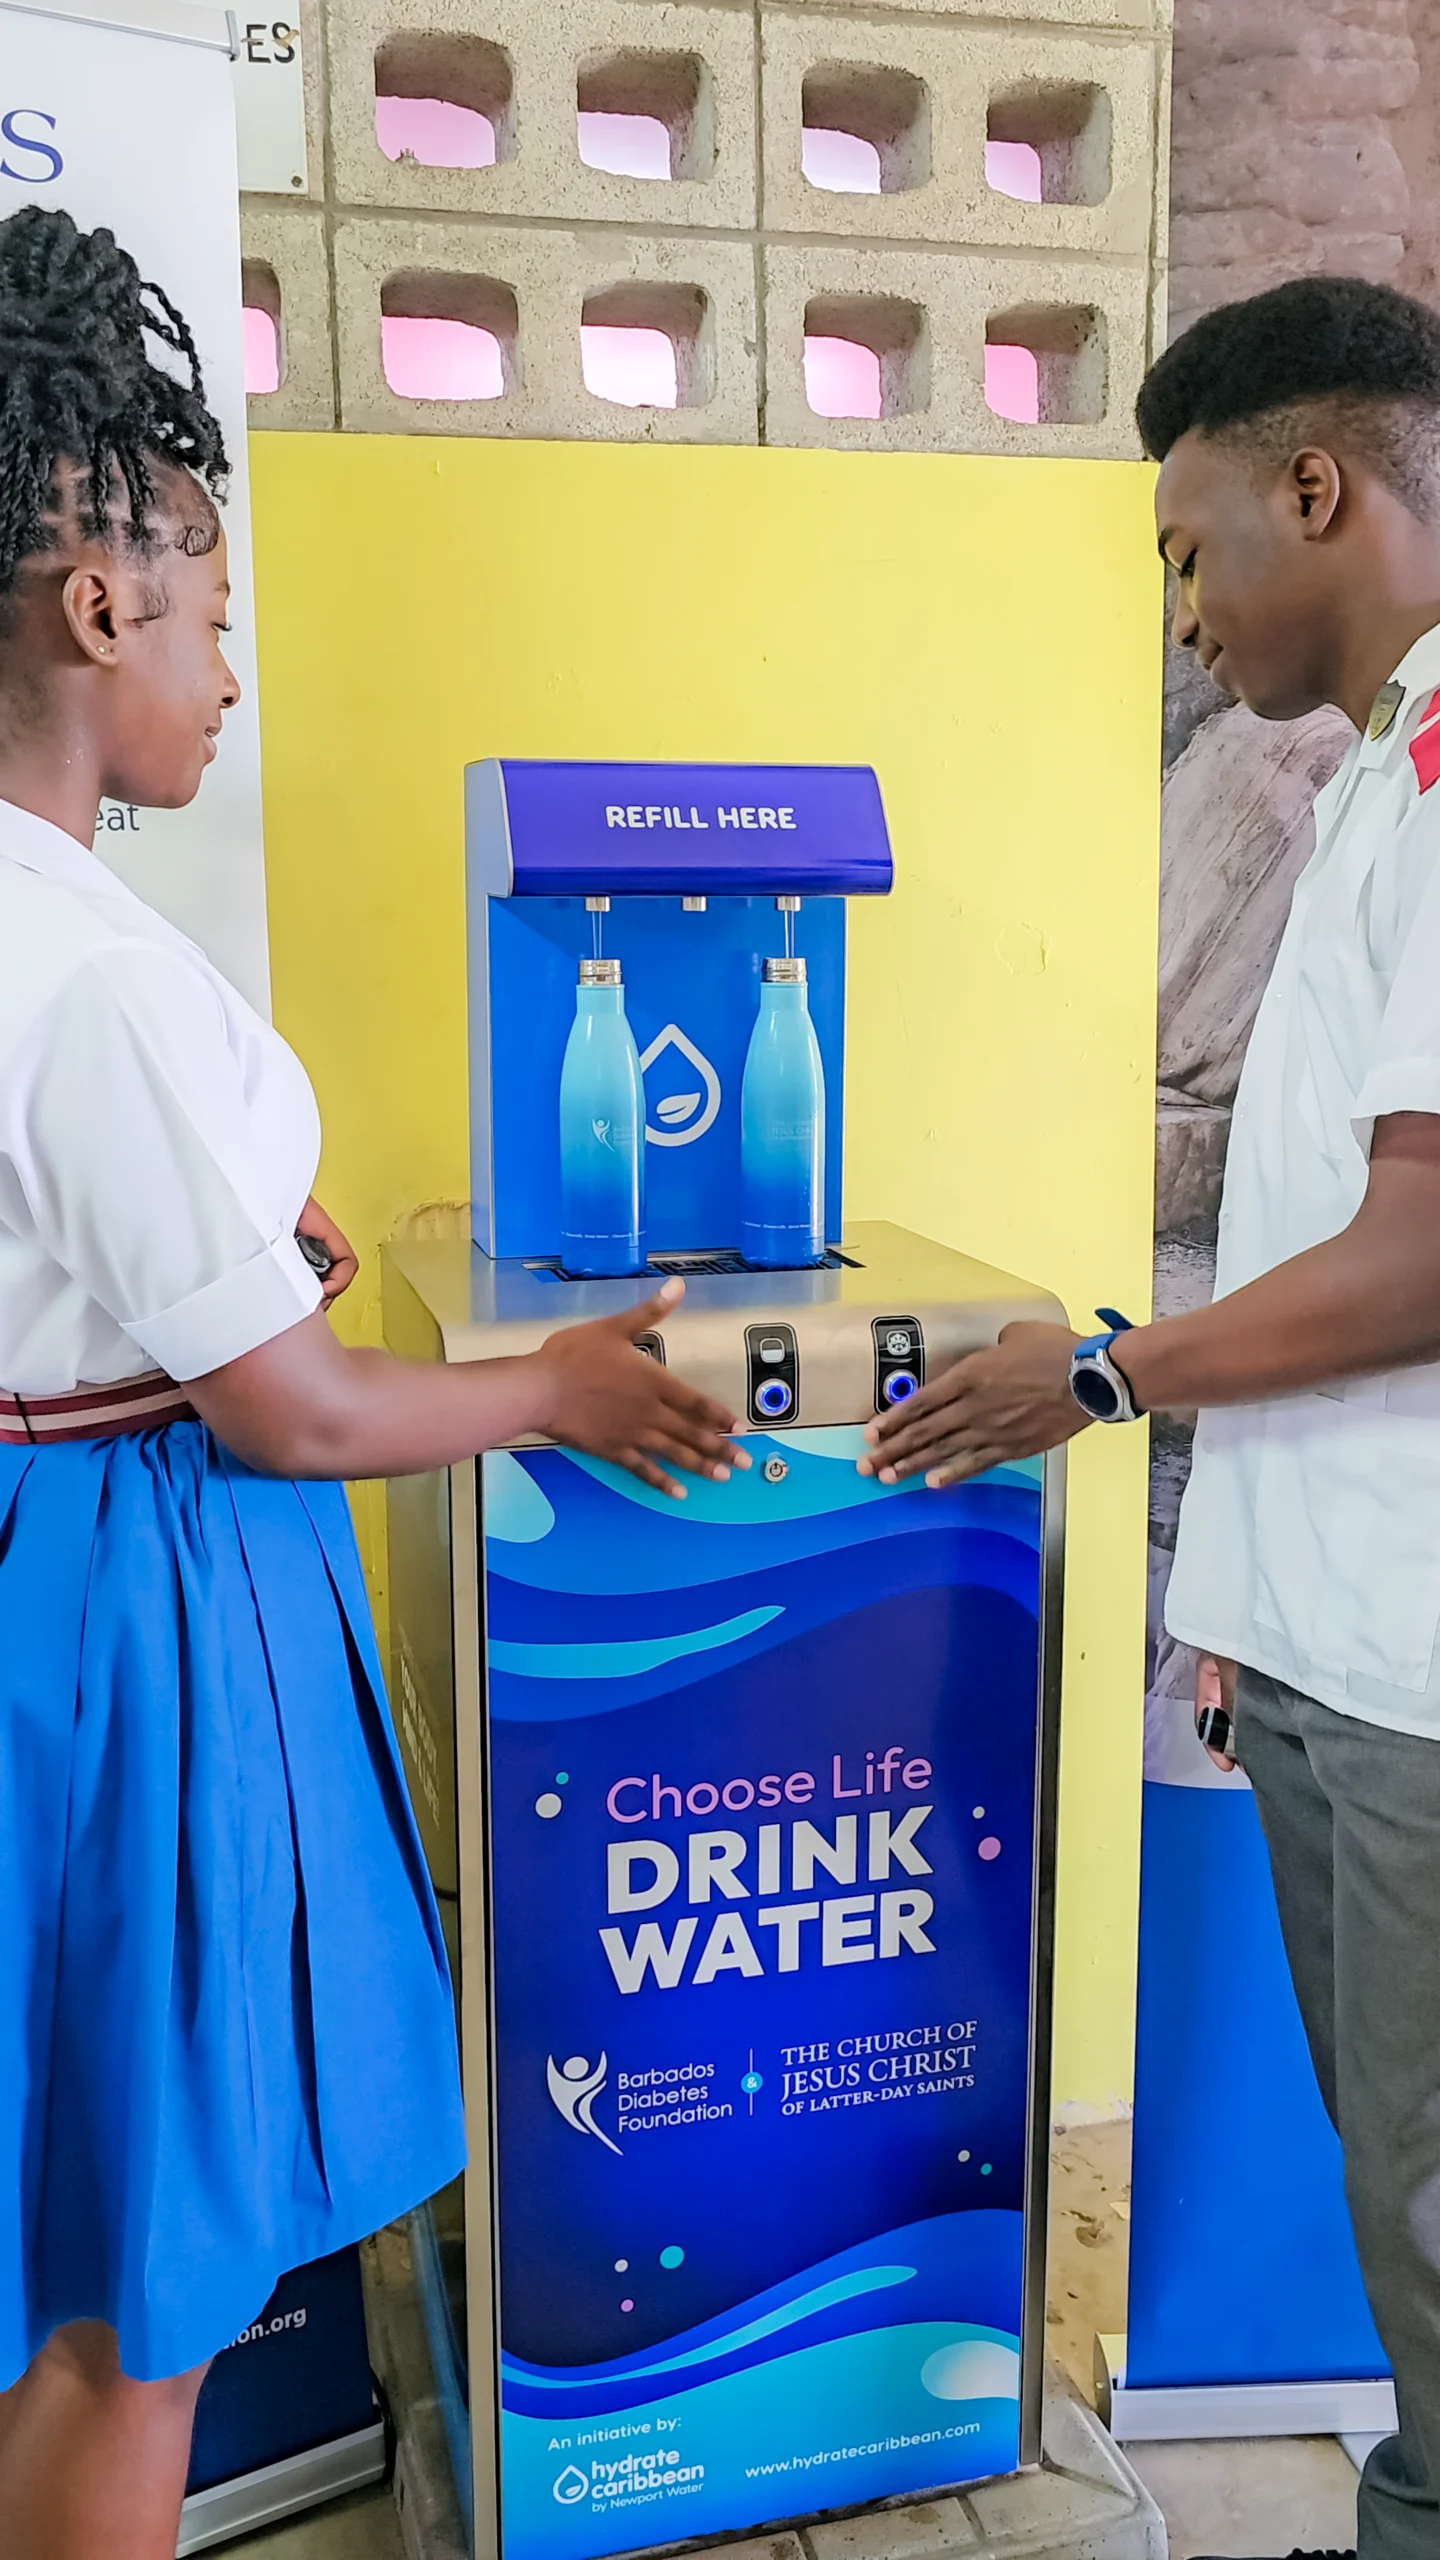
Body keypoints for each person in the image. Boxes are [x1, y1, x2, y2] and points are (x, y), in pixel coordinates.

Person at [0, 205, 745, 2560]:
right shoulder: (85, 974)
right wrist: (568, 1389)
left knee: (77, 2251)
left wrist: (241, 1249)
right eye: (211, 615)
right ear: (97, 603)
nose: (227, 673)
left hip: (70, 1567)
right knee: (152, 2306)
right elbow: (294, 1410)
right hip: (147, 1623)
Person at [864, 273, 1440, 2560]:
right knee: (1398, 2190)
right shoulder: (1384, 772)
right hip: (1320, 1634)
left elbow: (1421, 1251)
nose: (1188, 612)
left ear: (1322, 484)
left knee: (1428, 2195)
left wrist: (1098, 1371)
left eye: (1197, 549)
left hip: (1412, 1682)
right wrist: (1237, 1599)